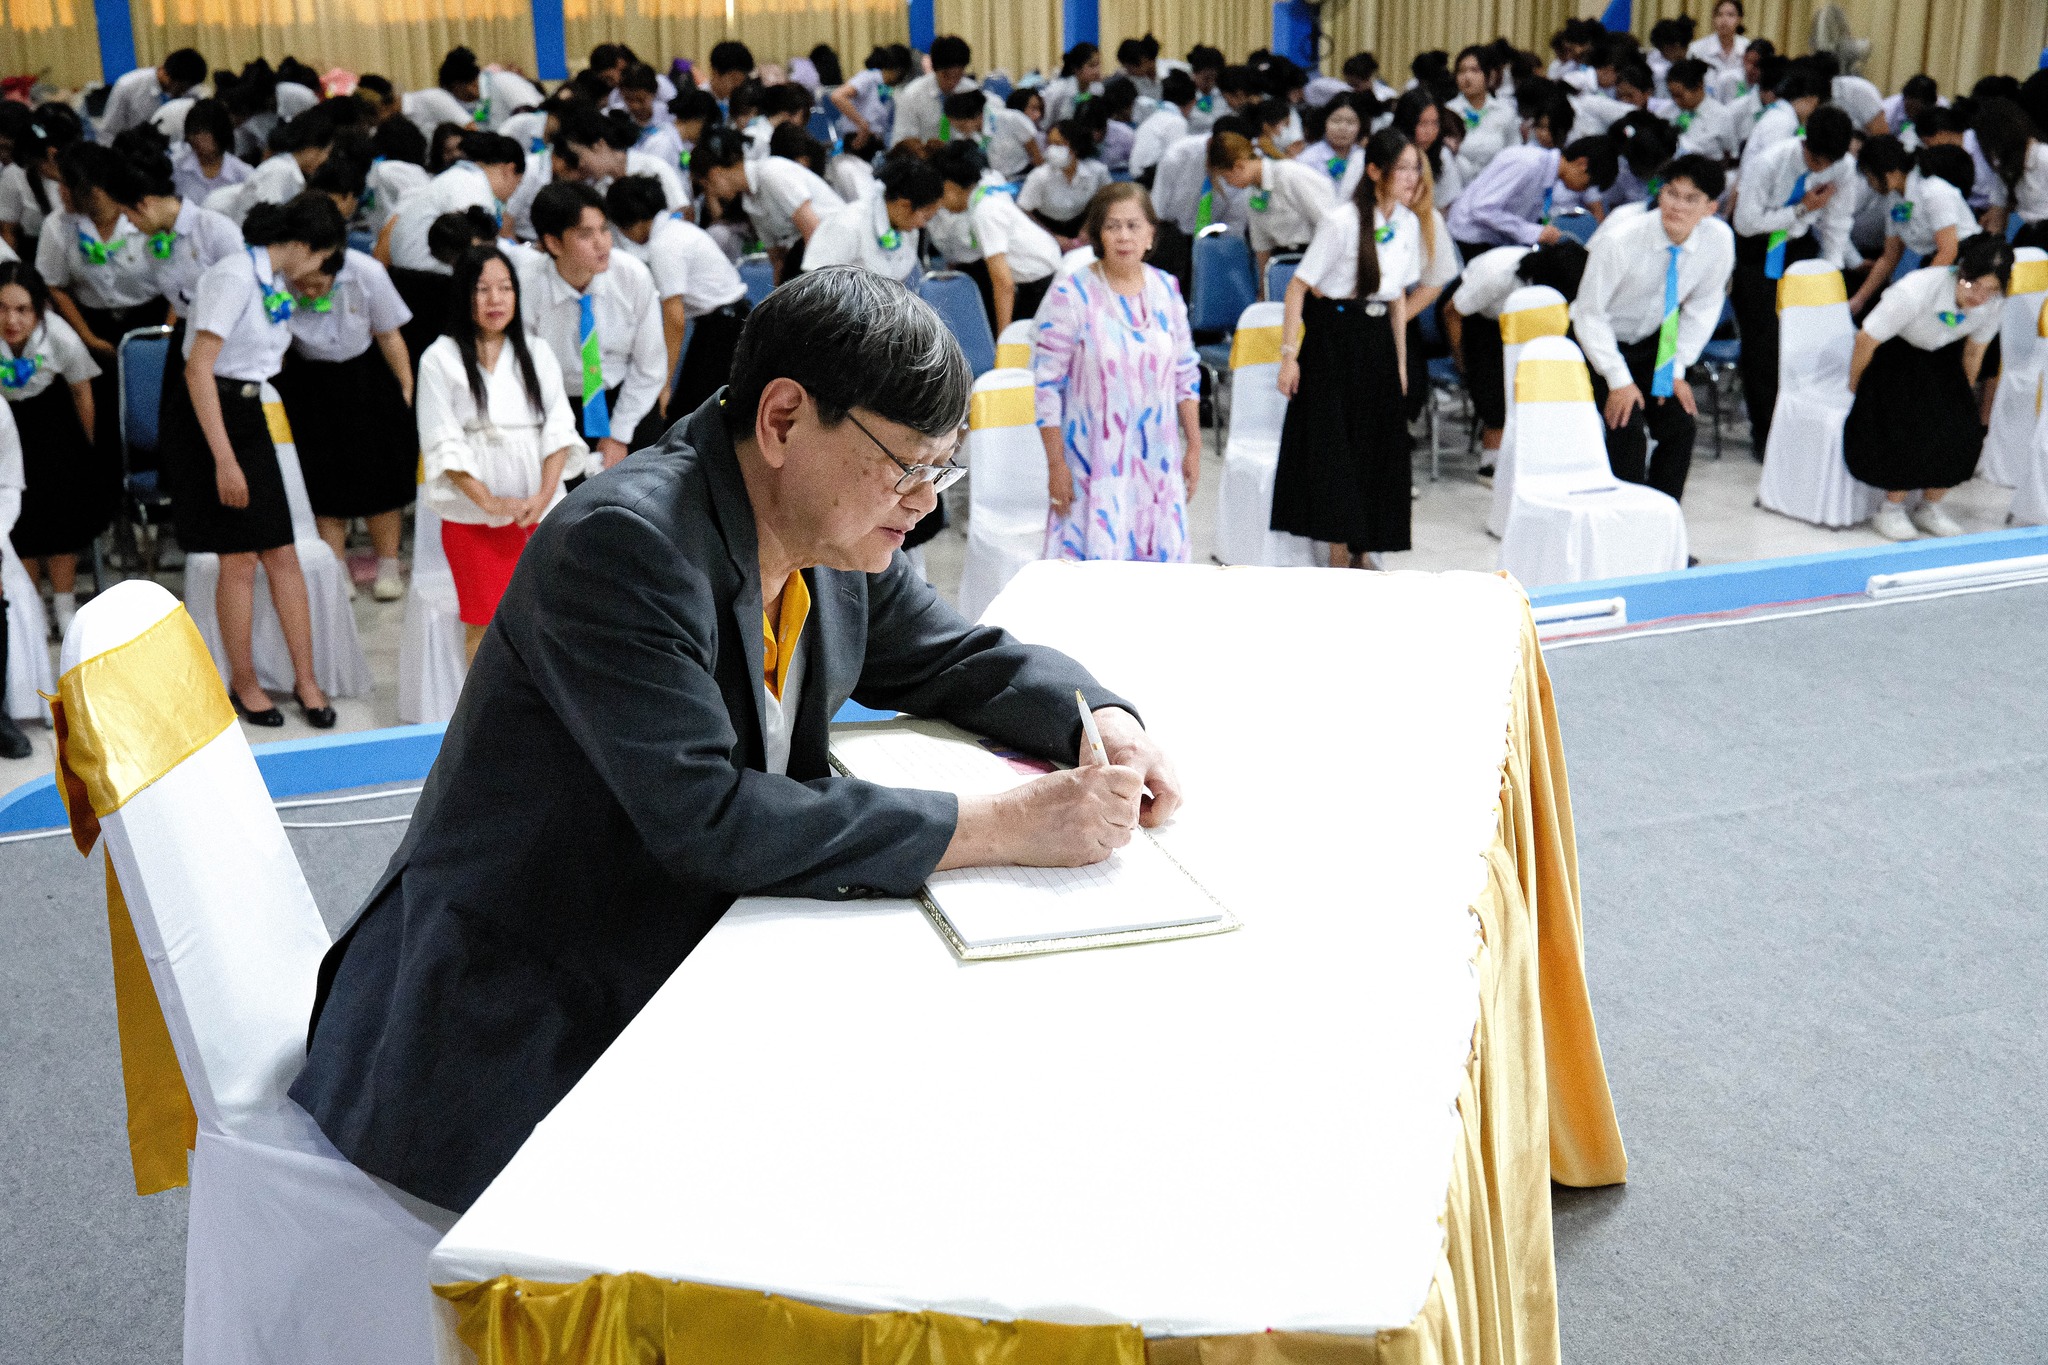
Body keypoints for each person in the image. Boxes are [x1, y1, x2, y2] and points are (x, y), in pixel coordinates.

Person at [290, 264, 1180, 1216]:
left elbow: (951, 655)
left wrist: (1102, 719)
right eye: (908, 466)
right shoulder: (624, 546)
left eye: (942, 469)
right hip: (514, 1010)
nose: (927, 502)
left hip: (670, 933)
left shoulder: (824, 526)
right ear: (784, 419)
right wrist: (1007, 823)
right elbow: (708, 817)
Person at [161, 193, 347, 727]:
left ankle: (306, 681)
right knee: (238, 558)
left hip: (248, 410)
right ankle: (245, 683)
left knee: (283, 551)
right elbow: (198, 369)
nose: (320, 267)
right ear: (306, 245)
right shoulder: (235, 276)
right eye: (322, 255)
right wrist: (224, 460)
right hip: (210, 419)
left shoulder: (271, 281)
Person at [415, 245, 584, 658]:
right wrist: (490, 502)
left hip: (539, 513)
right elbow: (442, 439)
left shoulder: (537, 352)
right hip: (472, 519)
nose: (496, 299)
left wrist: (543, 497)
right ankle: (484, 703)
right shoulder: (439, 358)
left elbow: (559, 428)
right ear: (464, 294)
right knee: (484, 627)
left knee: (548, 623)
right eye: (483, 289)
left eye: (505, 288)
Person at [1271, 129, 1421, 569]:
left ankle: (1365, 547)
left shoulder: (1408, 223)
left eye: (1416, 168)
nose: (1412, 177)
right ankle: (1338, 549)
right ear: (1374, 171)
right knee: (1338, 446)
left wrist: (1400, 362)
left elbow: (1397, 296)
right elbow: (1298, 287)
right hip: (1335, 339)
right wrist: (1289, 356)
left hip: (1377, 340)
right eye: (1402, 168)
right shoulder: (1341, 222)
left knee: (1378, 446)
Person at [1034, 183, 1199, 562]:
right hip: (1092, 464)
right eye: (1112, 226)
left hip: (1157, 462)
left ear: (1150, 233)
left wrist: (1194, 444)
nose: (1124, 236)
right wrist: (1056, 464)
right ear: (1098, 235)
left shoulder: (1167, 289)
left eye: (1133, 225)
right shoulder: (1072, 295)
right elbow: (1046, 388)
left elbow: (1185, 372)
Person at [1568, 154, 1733, 503]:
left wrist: (1677, 368)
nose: (1677, 206)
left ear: (1710, 208)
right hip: (1596, 344)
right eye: (1671, 193)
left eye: (1691, 199)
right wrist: (1618, 380)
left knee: (1680, 426)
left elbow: (1703, 308)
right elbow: (1589, 314)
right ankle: (1625, 525)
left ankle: (1662, 524)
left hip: (1654, 342)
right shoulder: (1621, 238)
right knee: (1626, 426)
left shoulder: (1718, 241)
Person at [36, 145, 167, 556]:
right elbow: (53, 284)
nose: (59, 194)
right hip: (93, 327)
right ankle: (113, 520)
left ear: (92, 188)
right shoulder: (59, 226)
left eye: (66, 186)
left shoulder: (139, 214)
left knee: (157, 417)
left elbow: (175, 276)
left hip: (152, 322)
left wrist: (165, 334)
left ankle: (160, 521)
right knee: (105, 423)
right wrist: (88, 339)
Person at [270, 237, 415, 600]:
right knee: (322, 480)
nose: (309, 290)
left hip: (365, 375)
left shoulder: (367, 272)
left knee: (379, 478)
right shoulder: (279, 279)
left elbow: (389, 334)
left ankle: (388, 565)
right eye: (303, 284)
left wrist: (405, 387)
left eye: (318, 284)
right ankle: (336, 570)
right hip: (308, 379)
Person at [1846, 235, 2012, 540]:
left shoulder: (1995, 303)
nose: (1979, 296)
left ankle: (1929, 506)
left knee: (1963, 431)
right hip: (1895, 354)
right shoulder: (1916, 289)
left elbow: (1974, 351)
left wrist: (1961, 397)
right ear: (1959, 271)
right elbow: (1866, 340)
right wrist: (1855, 383)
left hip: (1942, 356)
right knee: (1912, 421)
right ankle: (1891, 509)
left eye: (1990, 290)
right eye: (1972, 285)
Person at [1729, 105, 1855, 451]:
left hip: (1799, 247)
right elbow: (1746, 222)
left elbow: (1838, 220)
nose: (1822, 169)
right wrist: (1801, 210)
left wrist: (1832, 272)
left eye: (1829, 163)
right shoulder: (1769, 162)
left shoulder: (1843, 166)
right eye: (1816, 161)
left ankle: (1800, 427)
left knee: (1804, 342)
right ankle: (1766, 434)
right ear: (1805, 143)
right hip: (1756, 250)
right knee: (1764, 345)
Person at [516, 181, 665, 464]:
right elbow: (523, 369)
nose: (602, 243)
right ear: (553, 243)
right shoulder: (526, 285)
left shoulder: (632, 276)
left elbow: (649, 366)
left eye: (604, 229)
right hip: (558, 404)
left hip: (628, 398)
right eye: (586, 234)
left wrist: (619, 434)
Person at [0, 262, 101, 639]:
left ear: (39, 310)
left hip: (52, 425)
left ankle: (64, 605)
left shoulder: (59, 337)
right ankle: (33, 607)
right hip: (6, 428)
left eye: (22, 309)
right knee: (19, 520)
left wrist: (86, 448)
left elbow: (82, 392)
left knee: (59, 516)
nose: (11, 320)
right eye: (2, 308)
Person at [604, 177, 749, 420]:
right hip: (729, 321)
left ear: (626, 223)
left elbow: (674, 319)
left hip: (721, 329)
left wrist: (664, 382)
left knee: (692, 414)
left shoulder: (664, 245)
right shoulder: (678, 230)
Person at [1444, 238, 1589, 468]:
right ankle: (1492, 463)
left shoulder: (1563, 280)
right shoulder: (1497, 277)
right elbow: (1452, 312)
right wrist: (1461, 360)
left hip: (1521, 319)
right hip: (1476, 318)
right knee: (1494, 386)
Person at [929, 141, 1060, 333]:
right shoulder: (985, 192)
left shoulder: (985, 212)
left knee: (1020, 342)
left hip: (1039, 284)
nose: (941, 205)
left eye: (939, 196)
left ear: (949, 187)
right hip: (1041, 273)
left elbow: (1003, 283)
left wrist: (1003, 338)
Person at [692, 124, 843, 279]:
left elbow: (814, 231)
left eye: (706, 186)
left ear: (715, 174)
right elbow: (777, 259)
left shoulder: (772, 173)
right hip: (809, 250)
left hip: (836, 245)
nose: (712, 194)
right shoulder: (749, 202)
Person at [1847, 138, 1977, 314]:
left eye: (1870, 178)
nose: (1870, 185)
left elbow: (1948, 251)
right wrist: (1859, 299)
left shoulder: (1933, 191)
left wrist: (1921, 292)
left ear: (1889, 173)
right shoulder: (1893, 200)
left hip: (1967, 263)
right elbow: (1889, 256)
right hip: (1937, 263)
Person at [1445, 135, 1617, 262]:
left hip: (1487, 239)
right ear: (1582, 164)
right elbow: (1482, 208)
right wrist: (1534, 232)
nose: (1583, 190)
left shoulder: (1546, 172)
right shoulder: (1528, 163)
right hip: (1469, 239)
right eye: (1588, 184)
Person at [385, 132, 524, 274]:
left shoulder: (461, 176)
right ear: (509, 170)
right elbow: (476, 250)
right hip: (425, 274)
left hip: (414, 269)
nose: (513, 193)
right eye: (518, 183)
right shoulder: (472, 186)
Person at [1206, 129, 1334, 283]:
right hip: (1280, 263)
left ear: (1239, 166)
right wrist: (1263, 286)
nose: (1228, 184)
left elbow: (1329, 223)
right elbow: (1261, 245)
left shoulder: (1291, 174)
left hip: (1313, 259)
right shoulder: (1253, 192)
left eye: (1226, 178)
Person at [801, 153, 941, 282]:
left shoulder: (908, 231)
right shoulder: (848, 223)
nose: (923, 225)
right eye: (926, 217)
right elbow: (815, 282)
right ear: (904, 205)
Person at [1019, 120, 1111, 240]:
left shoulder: (1097, 171)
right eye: (1050, 144)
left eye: (1059, 144)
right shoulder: (1039, 176)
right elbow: (1023, 211)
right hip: (1046, 226)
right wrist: (1051, 237)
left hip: (1082, 222)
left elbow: (1107, 200)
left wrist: (1088, 227)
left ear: (1076, 146)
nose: (1052, 149)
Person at [890, 35, 985, 146]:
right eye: (946, 76)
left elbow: (985, 137)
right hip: (925, 153)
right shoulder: (912, 95)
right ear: (935, 69)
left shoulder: (972, 91)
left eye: (958, 76)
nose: (952, 82)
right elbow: (903, 140)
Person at [99, 48, 209, 140]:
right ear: (167, 75)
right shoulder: (128, 86)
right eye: (182, 88)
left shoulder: (193, 91)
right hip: (136, 150)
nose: (184, 93)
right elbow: (108, 132)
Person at [831, 44, 912, 157]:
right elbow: (837, 96)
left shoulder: (886, 88)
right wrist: (862, 125)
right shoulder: (868, 78)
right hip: (858, 139)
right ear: (898, 70)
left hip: (875, 141)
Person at [1449, 45, 1517, 179]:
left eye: (1475, 70)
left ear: (1489, 75)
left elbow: (1514, 153)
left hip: (1496, 184)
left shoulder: (1505, 112)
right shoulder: (1449, 112)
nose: (1467, 77)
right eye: (1461, 71)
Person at [170, 98, 253, 205]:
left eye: (204, 132)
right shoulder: (175, 166)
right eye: (194, 132)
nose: (197, 138)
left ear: (220, 133)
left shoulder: (243, 174)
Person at [1660, 60, 1738, 166]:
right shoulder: (1666, 112)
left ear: (1699, 86)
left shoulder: (1722, 116)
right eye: (1672, 95)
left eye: (1679, 95)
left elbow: (1730, 154)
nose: (1676, 101)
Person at [1296, 93, 1367, 199]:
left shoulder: (1364, 158)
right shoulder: (1308, 159)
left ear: (1361, 126)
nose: (1342, 128)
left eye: (1350, 122)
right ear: (1325, 122)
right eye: (1336, 121)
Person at [1132, 70, 1197, 183]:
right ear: (1192, 102)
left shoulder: (1152, 118)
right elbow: (1178, 163)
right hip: (1151, 181)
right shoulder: (1176, 122)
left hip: (1140, 178)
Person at [1687, 0, 1748, 85]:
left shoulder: (1747, 47)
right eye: (1719, 15)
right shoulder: (1697, 49)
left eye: (1730, 15)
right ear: (1713, 18)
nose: (1724, 20)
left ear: (1739, 19)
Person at [1043, 44, 1104, 128]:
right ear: (1076, 69)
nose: (1097, 70)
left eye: (1098, 64)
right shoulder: (1057, 90)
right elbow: (1045, 123)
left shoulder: (1098, 89)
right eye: (1092, 66)